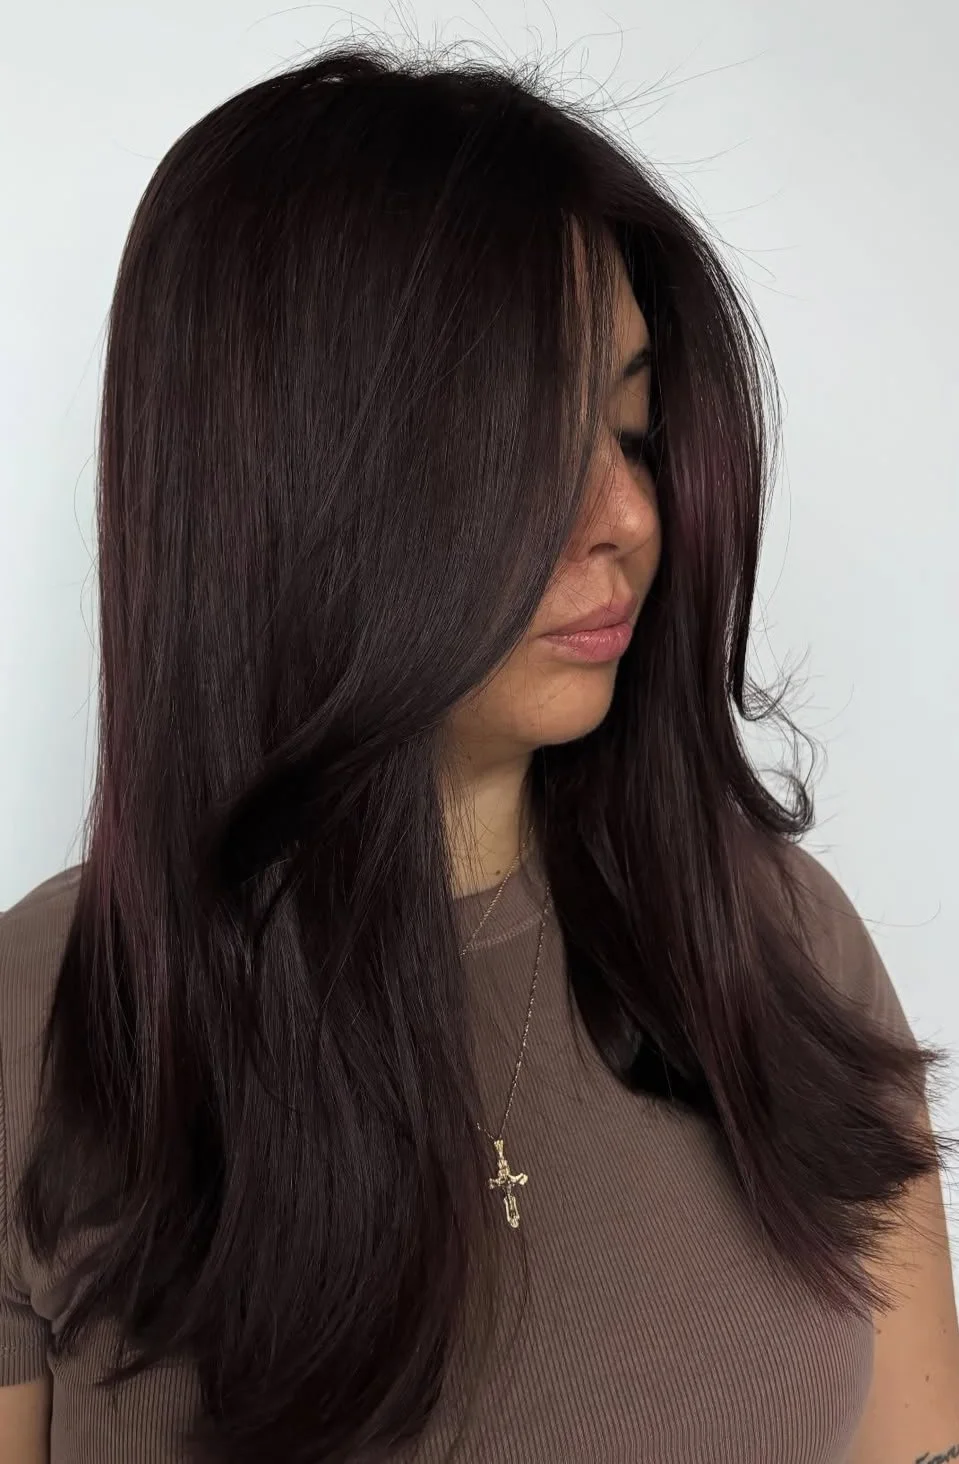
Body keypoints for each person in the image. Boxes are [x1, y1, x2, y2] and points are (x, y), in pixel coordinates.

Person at [0, 37, 956, 1464]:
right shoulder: (45, 1020)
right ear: (295, 476)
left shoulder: (774, 944)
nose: (626, 513)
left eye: (630, 423)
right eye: (519, 442)